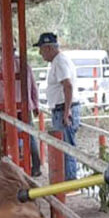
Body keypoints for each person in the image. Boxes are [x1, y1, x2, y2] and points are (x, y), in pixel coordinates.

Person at [35, 32, 80, 181]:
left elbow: (68, 86)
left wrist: (67, 112)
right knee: (64, 147)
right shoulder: (58, 61)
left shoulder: (59, 62)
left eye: (41, 49)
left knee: (66, 148)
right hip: (61, 109)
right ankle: (67, 180)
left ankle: (69, 180)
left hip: (63, 109)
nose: (40, 53)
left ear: (48, 48)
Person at [0, 52, 42, 176]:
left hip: (8, 108)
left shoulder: (0, 65)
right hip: (25, 106)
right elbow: (33, 86)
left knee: (6, 135)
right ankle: (36, 166)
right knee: (30, 135)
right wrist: (36, 104)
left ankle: (10, 165)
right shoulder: (24, 64)